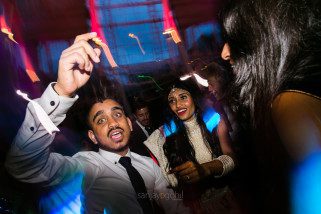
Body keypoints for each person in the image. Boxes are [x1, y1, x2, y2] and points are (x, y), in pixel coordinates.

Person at [5, 32, 190, 214]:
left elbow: (171, 203)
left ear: (129, 123)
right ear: (92, 136)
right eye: (101, 120)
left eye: (117, 115)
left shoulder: (149, 165)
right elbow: (23, 165)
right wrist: (61, 91)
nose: (112, 123)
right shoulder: (86, 166)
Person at [220, 0, 321, 213]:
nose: (224, 53)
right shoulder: (302, 88)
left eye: (234, 39)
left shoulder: (289, 104)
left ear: (263, 39)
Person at [143, 78, 241, 213]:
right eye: (172, 101)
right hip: (195, 209)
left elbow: (232, 158)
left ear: (194, 98)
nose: (178, 105)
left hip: (226, 202)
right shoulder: (168, 138)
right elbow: (169, 185)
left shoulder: (214, 123)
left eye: (183, 97)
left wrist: (206, 169)